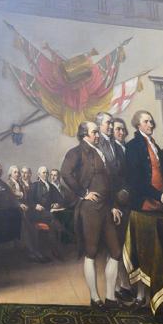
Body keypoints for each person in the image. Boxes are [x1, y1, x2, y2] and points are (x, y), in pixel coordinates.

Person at [62, 121, 124, 306]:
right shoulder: (75, 152)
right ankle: (95, 297)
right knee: (91, 252)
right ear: (84, 135)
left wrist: (113, 205)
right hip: (90, 209)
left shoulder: (100, 152)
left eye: (98, 132)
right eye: (94, 132)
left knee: (116, 252)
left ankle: (111, 297)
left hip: (106, 208)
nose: (98, 135)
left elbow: (109, 182)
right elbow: (65, 173)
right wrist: (83, 193)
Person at [124, 110, 163, 212]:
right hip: (144, 202)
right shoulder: (133, 146)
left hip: (161, 200)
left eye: (151, 122)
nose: (150, 125)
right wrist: (158, 195)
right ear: (138, 125)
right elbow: (136, 179)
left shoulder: (155, 145)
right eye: (146, 122)